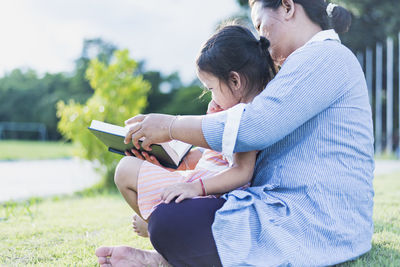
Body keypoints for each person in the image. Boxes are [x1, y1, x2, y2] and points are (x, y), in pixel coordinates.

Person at [96, 0, 375, 266]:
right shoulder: (301, 64)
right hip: (288, 210)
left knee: (171, 221)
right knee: (171, 218)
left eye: (260, 26)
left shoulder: (326, 57)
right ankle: (164, 258)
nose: (261, 39)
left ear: (288, 6)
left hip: (315, 224)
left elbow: (254, 127)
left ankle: (161, 259)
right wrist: (173, 158)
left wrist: (170, 126)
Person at [113, 24, 276, 238]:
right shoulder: (235, 112)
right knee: (134, 167)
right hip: (206, 181)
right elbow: (214, 158)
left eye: (211, 89)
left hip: (211, 191)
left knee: (125, 169)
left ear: (235, 81)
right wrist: (169, 161)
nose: (212, 98)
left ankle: (156, 228)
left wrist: (196, 188)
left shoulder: (244, 117)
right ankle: (159, 228)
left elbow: (241, 171)